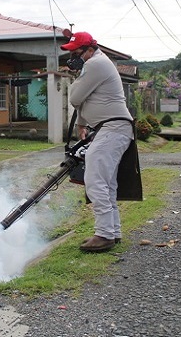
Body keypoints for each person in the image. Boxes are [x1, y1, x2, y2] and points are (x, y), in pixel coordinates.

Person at [61, 31, 134, 252]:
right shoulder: (96, 64)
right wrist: (81, 124)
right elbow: (89, 99)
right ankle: (112, 231)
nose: (73, 56)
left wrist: (76, 77)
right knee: (107, 183)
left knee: (94, 180)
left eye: (76, 52)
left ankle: (104, 234)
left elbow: (74, 98)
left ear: (90, 50)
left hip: (113, 128)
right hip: (112, 128)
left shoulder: (95, 64)